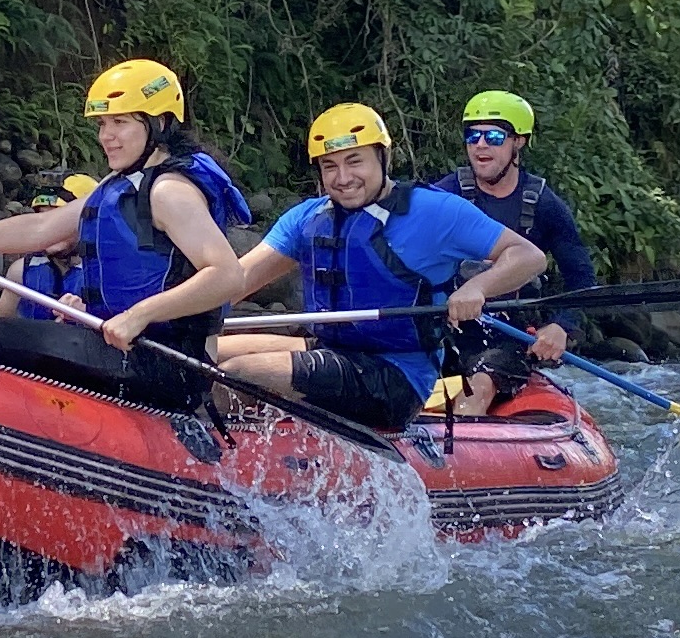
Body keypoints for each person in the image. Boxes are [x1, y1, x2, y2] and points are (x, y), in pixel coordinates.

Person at [185, 103, 548, 429]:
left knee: (237, 374)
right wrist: (164, 316)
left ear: (382, 157)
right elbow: (237, 280)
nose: (343, 178)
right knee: (195, 354)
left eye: (354, 161)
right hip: (327, 351)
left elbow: (527, 256)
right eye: (330, 166)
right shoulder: (308, 218)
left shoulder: (434, 211)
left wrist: (477, 288)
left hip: (395, 376)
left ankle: (204, 464)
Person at [0, 62, 248, 407]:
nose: (106, 136)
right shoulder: (121, 183)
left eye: (121, 122)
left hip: (170, 362)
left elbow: (227, 275)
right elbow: (40, 228)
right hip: (125, 349)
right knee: (4, 337)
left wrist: (139, 314)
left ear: (159, 124)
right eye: (102, 124)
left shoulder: (169, 191)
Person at [430, 89, 596, 415]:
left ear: (517, 142)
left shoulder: (545, 205)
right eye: (472, 135)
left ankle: (455, 453)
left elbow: (581, 277)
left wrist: (561, 326)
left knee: (478, 385)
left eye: (493, 135)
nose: (480, 144)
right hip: (441, 326)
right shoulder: (444, 195)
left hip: (508, 337)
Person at [4, 174, 100, 320]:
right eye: (45, 220)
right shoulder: (21, 271)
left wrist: (87, 311)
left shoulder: (108, 275)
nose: (50, 230)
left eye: (58, 220)